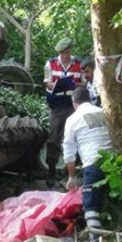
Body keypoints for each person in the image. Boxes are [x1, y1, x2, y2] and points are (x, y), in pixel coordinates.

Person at [62, 87, 113, 242]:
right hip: (114, 161)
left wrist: (72, 177)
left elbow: (69, 153)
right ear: (90, 99)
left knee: (90, 204)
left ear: (74, 102)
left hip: (93, 163)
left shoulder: (73, 119)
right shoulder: (103, 112)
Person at [43, 37, 82, 187]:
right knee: (54, 138)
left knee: (76, 136)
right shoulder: (51, 63)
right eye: (62, 53)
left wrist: (73, 84)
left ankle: (74, 171)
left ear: (70, 51)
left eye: (67, 52)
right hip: (58, 105)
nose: (65, 55)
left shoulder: (78, 63)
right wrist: (60, 84)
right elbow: (47, 82)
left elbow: (85, 81)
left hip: (75, 104)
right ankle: (51, 171)